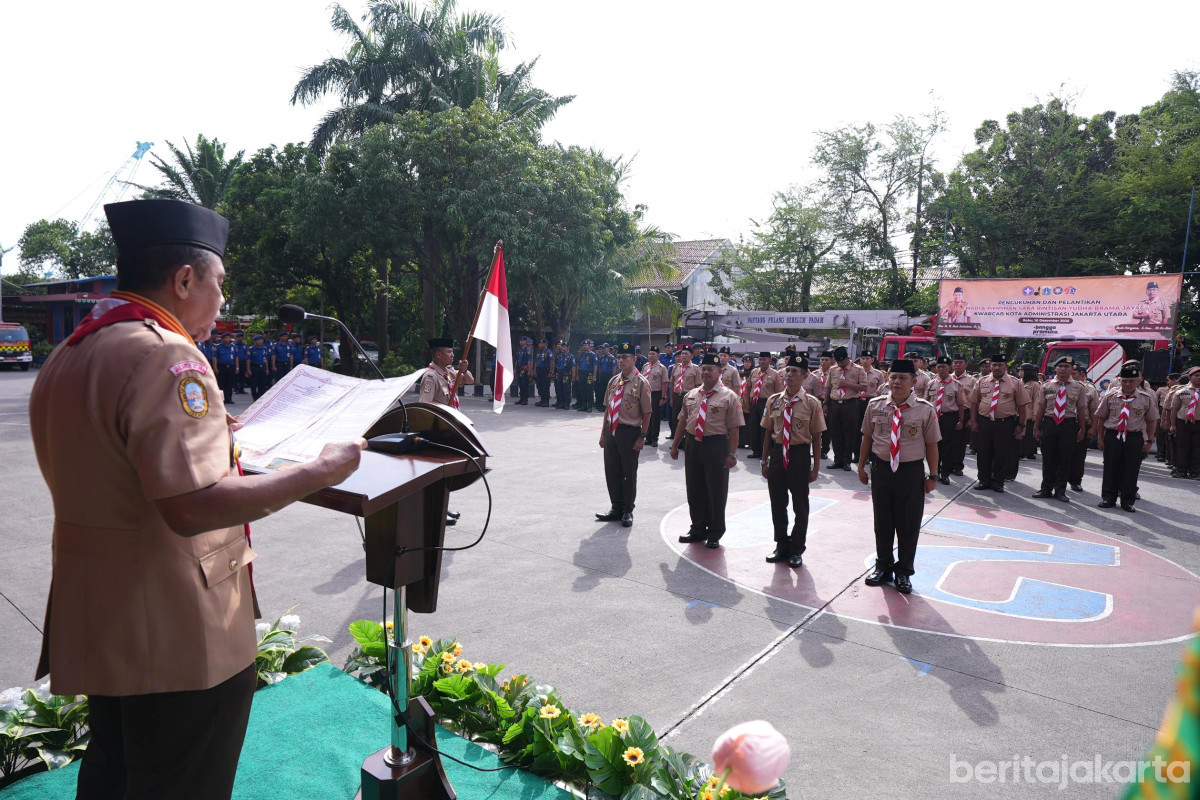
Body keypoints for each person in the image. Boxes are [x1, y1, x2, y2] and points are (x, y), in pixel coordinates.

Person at [28, 198, 364, 800]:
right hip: (177, 632)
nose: (221, 303)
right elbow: (192, 506)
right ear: (185, 279)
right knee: (183, 781)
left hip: (109, 618)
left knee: (115, 774)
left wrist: (215, 435)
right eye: (219, 285)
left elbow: (111, 464)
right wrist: (318, 470)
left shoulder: (76, 350)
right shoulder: (167, 354)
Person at [858, 359, 940, 594]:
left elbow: (932, 444)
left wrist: (933, 475)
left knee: (908, 524)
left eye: (902, 378)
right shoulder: (875, 405)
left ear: (913, 382)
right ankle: (883, 567)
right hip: (881, 469)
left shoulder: (925, 409)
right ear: (887, 379)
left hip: (910, 472)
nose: (896, 381)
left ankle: (904, 572)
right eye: (893, 377)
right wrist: (862, 466)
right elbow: (866, 438)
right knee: (882, 522)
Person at [672, 352, 744, 548]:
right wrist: (675, 444)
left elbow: (734, 427)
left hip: (716, 445)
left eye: (710, 369)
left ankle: (715, 531)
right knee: (694, 488)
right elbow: (682, 420)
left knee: (716, 490)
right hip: (693, 444)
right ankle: (697, 528)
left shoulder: (730, 396)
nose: (706, 372)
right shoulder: (692, 394)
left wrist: (732, 454)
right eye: (703, 369)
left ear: (720, 372)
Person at [760, 353, 824, 567]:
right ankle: (781, 545)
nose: (789, 375)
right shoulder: (774, 400)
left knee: (800, 505)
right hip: (778, 453)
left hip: (799, 455)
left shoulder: (812, 403)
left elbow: (817, 436)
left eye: (795, 371)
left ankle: (797, 548)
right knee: (778, 503)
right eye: (787, 370)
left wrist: (816, 467)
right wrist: (764, 460)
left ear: (804, 376)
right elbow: (768, 432)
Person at [596, 343, 652, 526]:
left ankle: (628, 510)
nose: (621, 360)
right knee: (612, 471)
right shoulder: (613, 381)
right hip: (612, 430)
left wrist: (642, 436)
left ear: (634, 359)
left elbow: (647, 413)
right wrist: (603, 433)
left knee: (629, 472)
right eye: (619, 356)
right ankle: (616, 507)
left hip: (629, 432)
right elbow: (608, 408)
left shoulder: (641, 382)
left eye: (625, 357)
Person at [1093, 365, 1158, 511]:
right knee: (1110, 467)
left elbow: (1151, 420)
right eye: (1124, 381)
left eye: (1131, 381)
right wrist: (1101, 439)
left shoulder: (1146, 398)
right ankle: (1108, 498)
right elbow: (1101, 418)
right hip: (1113, 435)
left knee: (1131, 469)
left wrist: (1149, 441)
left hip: (1134, 437)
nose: (1127, 384)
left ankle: (1127, 501)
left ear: (1138, 381)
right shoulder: (1110, 396)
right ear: (1119, 381)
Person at [967, 354, 1029, 492]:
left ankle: (998, 482)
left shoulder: (1016, 382)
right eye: (994, 365)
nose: (996, 368)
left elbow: (1022, 407)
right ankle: (984, 480)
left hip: (1005, 423)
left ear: (1006, 367)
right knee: (983, 452)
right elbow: (974, 403)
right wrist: (973, 420)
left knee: (1002, 453)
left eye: (1000, 365)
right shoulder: (982, 381)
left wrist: (1021, 425)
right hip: (984, 422)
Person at [1032, 356, 1090, 502]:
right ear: (1055, 368)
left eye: (1067, 366)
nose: (1063, 369)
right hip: (1050, 422)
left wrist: (1082, 429)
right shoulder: (1046, 386)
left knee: (1065, 458)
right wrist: (1036, 427)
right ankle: (1046, 488)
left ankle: (1060, 491)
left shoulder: (1079, 387)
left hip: (1069, 424)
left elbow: (1081, 410)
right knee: (1048, 457)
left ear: (1072, 369)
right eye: (1060, 366)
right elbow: (1041, 408)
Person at [824, 346, 866, 471]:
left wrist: (848, 384)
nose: (841, 365)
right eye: (838, 362)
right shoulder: (833, 370)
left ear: (848, 358)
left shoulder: (858, 369)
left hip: (850, 403)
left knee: (849, 433)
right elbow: (828, 387)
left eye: (842, 362)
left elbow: (864, 387)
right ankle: (837, 460)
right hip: (835, 404)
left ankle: (846, 460)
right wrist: (826, 404)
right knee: (835, 433)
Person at [925, 356, 965, 484]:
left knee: (948, 447)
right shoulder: (931, 383)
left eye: (944, 367)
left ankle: (945, 474)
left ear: (950, 368)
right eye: (939, 367)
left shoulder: (956, 385)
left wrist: (961, 420)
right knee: (933, 445)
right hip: (933, 418)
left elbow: (960, 404)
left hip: (949, 418)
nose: (941, 369)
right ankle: (934, 472)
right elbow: (925, 402)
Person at [1068, 363, 1100, 492]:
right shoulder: (1062, 386)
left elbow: (1094, 411)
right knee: (1062, 453)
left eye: (1074, 373)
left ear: (1081, 374)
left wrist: (1093, 427)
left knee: (1079, 455)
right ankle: (1059, 480)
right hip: (1066, 423)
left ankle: (1076, 481)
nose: (1071, 375)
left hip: (1082, 424)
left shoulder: (1090, 389)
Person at [1165, 366, 1200, 478]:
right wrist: (1173, 425)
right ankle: (1181, 469)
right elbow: (1174, 410)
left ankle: (1195, 471)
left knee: (1197, 448)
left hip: (1198, 423)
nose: (1199, 378)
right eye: (1196, 376)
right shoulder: (1180, 391)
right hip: (1183, 423)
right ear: (1190, 377)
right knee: (1182, 447)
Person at [420, 337, 474, 407]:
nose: (453, 355)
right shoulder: (430, 377)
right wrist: (446, 408)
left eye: (452, 352)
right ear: (438, 354)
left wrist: (464, 370)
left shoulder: (449, 372)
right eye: (449, 352)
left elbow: (470, 381)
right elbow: (425, 403)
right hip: (441, 416)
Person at [746, 351, 781, 459]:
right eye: (760, 359)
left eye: (764, 359)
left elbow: (778, 392)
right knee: (753, 426)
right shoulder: (754, 372)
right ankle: (755, 450)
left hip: (767, 404)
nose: (761, 362)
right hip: (754, 402)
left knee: (765, 428)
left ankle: (765, 452)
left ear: (769, 361)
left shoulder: (775, 374)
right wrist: (747, 402)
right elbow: (748, 387)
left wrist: (776, 407)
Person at [948, 356, 976, 476]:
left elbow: (976, 401)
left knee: (960, 442)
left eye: (960, 362)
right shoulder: (947, 378)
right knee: (947, 441)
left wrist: (972, 418)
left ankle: (958, 466)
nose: (958, 365)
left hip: (965, 412)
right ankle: (947, 465)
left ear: (966, 364)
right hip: (950, 413)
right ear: (952, 365)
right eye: (955, 362)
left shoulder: (972, 380)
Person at [667, 347, 701, 439]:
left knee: (687, 419)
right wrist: (671, 398)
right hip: (677, 396)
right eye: (682, 353)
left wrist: (696, 399)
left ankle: (685, 440)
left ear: (691, 356)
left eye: (686, 353)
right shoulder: (676, 367)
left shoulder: (696, 368)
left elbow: (698, 385)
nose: (683, 355)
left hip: (689, 397)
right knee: (675, 419)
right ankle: (676, 439)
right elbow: (672, 383)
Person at [640, 346, 669, 446]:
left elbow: (665, 383)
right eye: (650, 354)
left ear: (658, 356)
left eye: (653, 354)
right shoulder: (645, 366)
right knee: (645, 415)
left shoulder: (662, 368)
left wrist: (664, 397)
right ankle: (647, 437)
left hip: (656, 394)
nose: (651, 356)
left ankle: (654, 438)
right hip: (645, 394)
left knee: (655, 417)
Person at [214, 331, 239, 405]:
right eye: (225, 338)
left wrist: (237, 367)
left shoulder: (233, 347)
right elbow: (215, 358)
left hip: (231, 366)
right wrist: (215, 367)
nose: (227, 339)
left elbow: (236, 357)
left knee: (230, 383)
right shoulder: (218, 347)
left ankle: (229, 398)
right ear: (222, 339)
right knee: (221, 383)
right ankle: (222, 399)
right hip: (221, 366)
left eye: (228, 337)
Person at [245, 333, 271, 400]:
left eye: (261, 340)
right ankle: (255, 397)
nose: (260, 341)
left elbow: (266, 359)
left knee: (262, 383)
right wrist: (248, 369)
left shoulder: (264, 349)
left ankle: (260, 396)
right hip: (254, 367)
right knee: (254, 383)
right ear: (255, 341)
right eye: (258, 340)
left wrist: (267, 369)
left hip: (262, 367)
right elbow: (248, 360)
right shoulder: (251, 349)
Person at [576, 340, 597, 412]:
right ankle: (584, 405)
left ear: (589, 346)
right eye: (583, 345)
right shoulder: (580, 355)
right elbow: (578, 365)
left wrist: (594, 376)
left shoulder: (592, 355)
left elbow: (595, 366)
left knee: (589, 390)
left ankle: (589, 406)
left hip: (589, 374)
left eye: (586, 345)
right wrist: (577, 375)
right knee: (582, 390)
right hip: (582, 373)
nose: (584, 346)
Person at [596, 343, 618, 411]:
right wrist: (599, 376)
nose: (603, 350)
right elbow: (599, 368)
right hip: (602, 375)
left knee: (608, 391)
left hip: (609, 375)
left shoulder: (612, 357)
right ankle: (602, 405)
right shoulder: (601, 357)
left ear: (608, 348)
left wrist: (613, 378)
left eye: (605, 348)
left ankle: (608, 406)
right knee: (602, 391)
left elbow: (614, 367)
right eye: (602, 348)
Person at [553, 340, 574, 409]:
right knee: (560, 388)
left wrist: (573, 375)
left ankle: (567, 403)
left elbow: (573, 366)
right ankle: (561, 402)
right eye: (562, 347)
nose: (563, 348)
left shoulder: (571, 356)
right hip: (560, 373)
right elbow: (557, 365)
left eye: (564, 347)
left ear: (568, 348)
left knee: (566, 389)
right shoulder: (560, 355)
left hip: (566, 374)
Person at [534, 338, 553, 406]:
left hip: (545, 370)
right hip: (539, 370)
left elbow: (551, 362)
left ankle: (546, 401)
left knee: (545, 386)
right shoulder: (539, 352)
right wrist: (535, 371)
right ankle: (542, 399)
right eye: (539, 343)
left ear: (545, 344)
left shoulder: (548, 352)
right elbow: (536, 362)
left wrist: (550, 372)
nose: (540, 345)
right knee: (539, 386)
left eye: (541, 343)